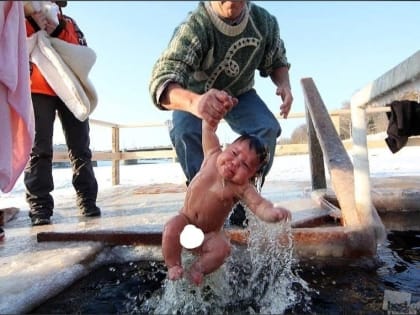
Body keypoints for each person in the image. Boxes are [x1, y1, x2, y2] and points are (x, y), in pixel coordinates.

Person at [149, 1, 293, 227]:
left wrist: (285, 84)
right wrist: (196, 103)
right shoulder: (196, 25)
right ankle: (202, 200)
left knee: (267, 127)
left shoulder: (264, 22)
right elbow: (162, 82)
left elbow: (277, 61)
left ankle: (244, 197)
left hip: (241, 93)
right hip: (196, 95)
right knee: (185, 132)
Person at [162, 115, 292, 286]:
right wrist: (211, 116)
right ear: (227, 147)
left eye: (245, 165)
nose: (234, 163)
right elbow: (207, 129)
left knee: (223, 248)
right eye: (234, 153)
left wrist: (272, 213)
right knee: (171, 227)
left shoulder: (242, 188)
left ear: (252, 176)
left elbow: (259, 205)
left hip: (208, 236)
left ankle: (198, 269)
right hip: (185, 221)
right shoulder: (212, 156)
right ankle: (173, 265)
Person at [24, 0, 100, 226]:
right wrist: (31, 23)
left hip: (70, 90)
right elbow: (15, 46)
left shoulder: (69, 23)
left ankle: (87, 200)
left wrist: (56, 30)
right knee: (39, 150)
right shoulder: (21, 20)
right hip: (37, 89)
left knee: (80, 149)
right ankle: (39, 207)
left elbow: (80, 51)